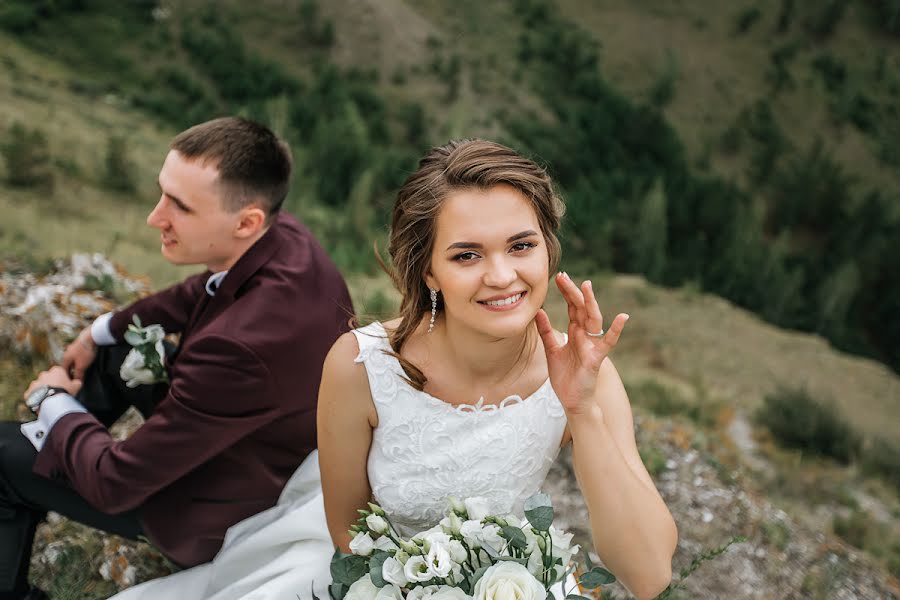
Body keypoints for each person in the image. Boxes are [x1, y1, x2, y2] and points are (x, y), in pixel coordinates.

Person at [110, 139, 677, 600]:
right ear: (428, 272)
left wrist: (581, 407)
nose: (502, 276)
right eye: (467, 255)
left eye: (521, 246)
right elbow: (347, 534)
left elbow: (649, 577)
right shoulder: (362, 366)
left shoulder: (586, 374)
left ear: (548, 250)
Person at [0, 117, 353, 600]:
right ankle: (50, 462)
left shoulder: (239, 349)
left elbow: (116, 486)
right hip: (250, 445)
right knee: (116, 349)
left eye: (180, 206)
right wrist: (96, 331)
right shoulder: (284, 237)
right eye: (163, 193)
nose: (155, 217)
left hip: (207, 512)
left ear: (246, 220)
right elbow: (197, 292)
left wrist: (52, 400)